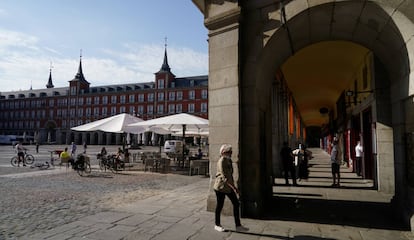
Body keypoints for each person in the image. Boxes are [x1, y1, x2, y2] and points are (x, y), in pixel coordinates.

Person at [213, 144, 248, 232]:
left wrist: (233, 186)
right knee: (219, 205)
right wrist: (234, 188)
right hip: (220, 187)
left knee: (236, 203)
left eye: (231, 152)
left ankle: (238, 225)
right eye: (229, 152)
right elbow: (224, 176)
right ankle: (217, 224)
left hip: (228, 187)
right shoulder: (222, 161)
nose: (231, 153)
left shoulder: (228, 160)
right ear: (224, 152)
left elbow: (230, 175)